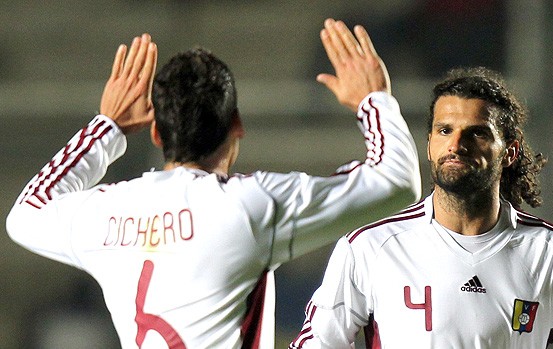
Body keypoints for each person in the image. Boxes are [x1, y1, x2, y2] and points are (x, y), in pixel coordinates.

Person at [6, 18, 422, 349]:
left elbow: (25, 213)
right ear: (236, 125)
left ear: (156, 133)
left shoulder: (107, 212)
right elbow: (397, 181)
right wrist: (375, 99)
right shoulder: (252, 206)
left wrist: (107, 127)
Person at [289, 63, 553, 346]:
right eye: (444, 130)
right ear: (430, 144)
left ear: (509, 153)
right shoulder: (370, 247)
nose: (456, 144)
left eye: (476, 133)